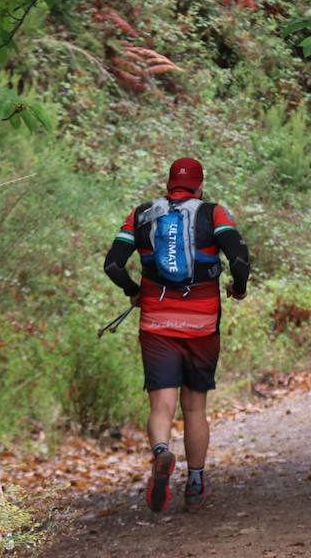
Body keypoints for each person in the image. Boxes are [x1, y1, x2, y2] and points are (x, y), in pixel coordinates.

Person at [103, 158, 251, 512]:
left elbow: (112, 264)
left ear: (169, 184)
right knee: (195, 406)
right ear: (200, 186)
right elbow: (240, 260)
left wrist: (133, 290)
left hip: (156, 323)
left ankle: (161, 453)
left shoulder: (141, 214)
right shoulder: (213, 214)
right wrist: (239, 288)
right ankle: (196, 484)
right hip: (202, 326)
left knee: (161, 404)